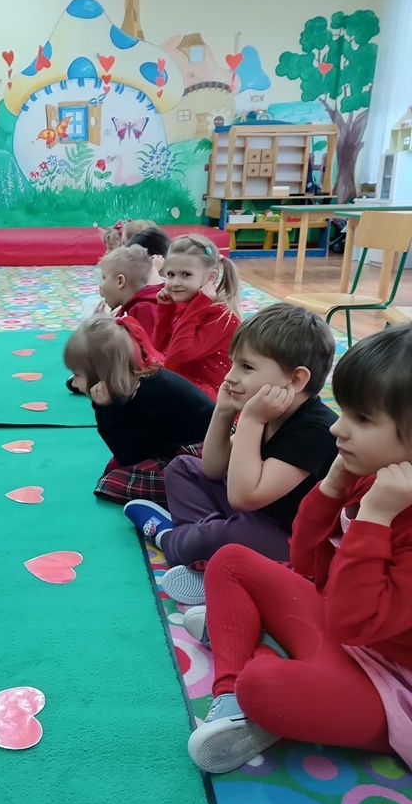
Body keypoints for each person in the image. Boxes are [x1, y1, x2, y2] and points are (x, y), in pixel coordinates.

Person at [186, 325, 412, 775]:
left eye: (363, 419)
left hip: (390, 686)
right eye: (344, 411)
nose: (339, 428)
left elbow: (354, 620)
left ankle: (248, 643)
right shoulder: (375, 477)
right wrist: (331, 488)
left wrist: (374, 520)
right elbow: (307, 563)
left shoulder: (387, 503)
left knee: (264, 685)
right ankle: (230, 693)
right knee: (230, 559)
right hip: (344, 636)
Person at [124, 304, 338, 606]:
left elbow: (243, 498)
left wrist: (250, 421)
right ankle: (206, 554)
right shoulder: (270, 411)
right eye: (233, 363)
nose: (229, 376)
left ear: (295, 380)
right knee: (182, 467)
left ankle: (170, 539)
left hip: (292, 543)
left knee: (223, 535)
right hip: (255, 518)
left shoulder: (315, 429)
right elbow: (212, 469)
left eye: (246, 367)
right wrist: (224, 412)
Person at [64, 314, 214, 504]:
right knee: (116, 469)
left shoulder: (148, 394)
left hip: (205, 451)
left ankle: (200, 494)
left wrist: (106, 410)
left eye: (77, 374)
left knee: (113, 481)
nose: (74, 383)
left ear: (102, 375)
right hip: (186, 444)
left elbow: (129, 455)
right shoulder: (137, 382)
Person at [154, 234, 242, 400]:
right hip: (184, 388)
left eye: (186, 274)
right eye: (171, 274)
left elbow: (176, 357)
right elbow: (158, 352)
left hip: (211, 400)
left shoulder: (222, 318)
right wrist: (165, 312)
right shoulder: (182, 307)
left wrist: (196, 307)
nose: (175, 282)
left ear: (210, 278)